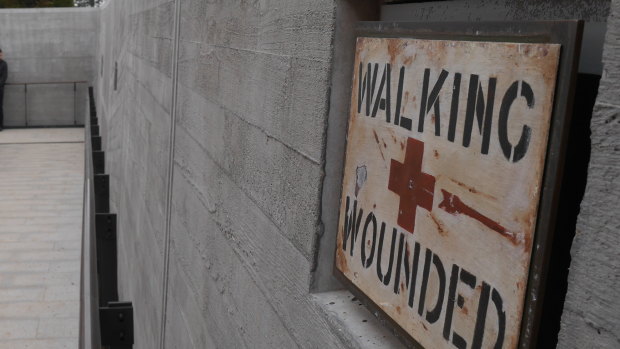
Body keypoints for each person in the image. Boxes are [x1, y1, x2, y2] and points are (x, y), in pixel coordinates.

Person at [0, 49, 7, 131]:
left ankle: (0, 126)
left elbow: (4, 77)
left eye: (1, 55)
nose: (1, 56)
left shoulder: (4, 64)